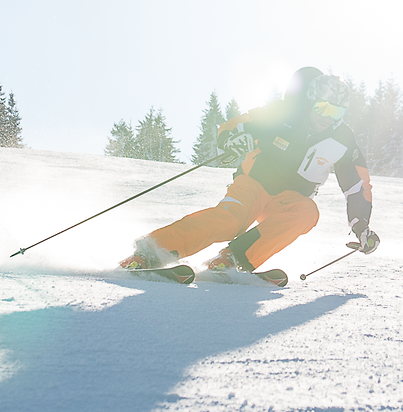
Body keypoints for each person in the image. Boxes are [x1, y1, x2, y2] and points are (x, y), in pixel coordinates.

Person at [120, 67, 377, 273]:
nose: (327, 117)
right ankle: (151, 251)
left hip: (288, 199)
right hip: (253, 185)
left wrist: (361, 226)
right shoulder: (282, 116)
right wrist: (230, 141)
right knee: (231, 221)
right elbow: (233, 126)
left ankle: (233, 258)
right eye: (323, 107)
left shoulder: (342, 140)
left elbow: (357, 186)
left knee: (307, 212)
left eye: (337, 111)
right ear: (311, 101)